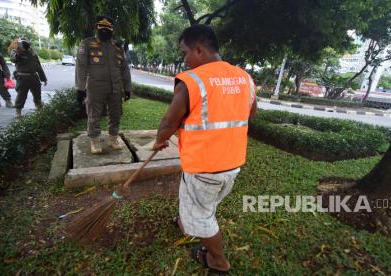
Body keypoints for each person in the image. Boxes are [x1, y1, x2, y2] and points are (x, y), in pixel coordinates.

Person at [153, 24, 257, 273]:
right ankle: (184, 220)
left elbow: (169, 121)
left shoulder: (192, 81)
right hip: (231, 166)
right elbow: (249, 114)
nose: (184, 59)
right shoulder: (245, 78)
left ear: (199, 50)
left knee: (203, 218)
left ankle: (218, 261)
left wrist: (160, 140)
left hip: (203, 168)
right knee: (203, 202)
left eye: (184, 53)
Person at [75, 16, 132, 154]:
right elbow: (81, 67)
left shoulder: (117, 48)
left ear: (112, 31)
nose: (105, 32)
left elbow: (125, 69)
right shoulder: (87, 44)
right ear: (96, 28)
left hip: (115, 87)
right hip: (95, 87)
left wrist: (128, 88)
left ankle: (113, 138)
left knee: (116, 114)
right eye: (102, 29)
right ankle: (94, 141)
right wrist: (80, 88)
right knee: (94, 114)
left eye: (108, 30)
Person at [10, 38, 47, 118]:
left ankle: (39, 107)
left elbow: (38, 67)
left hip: (34, 77)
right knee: (21, 95)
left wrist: (43, 78)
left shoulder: (33, 55)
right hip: (22, 78)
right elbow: (13, 59)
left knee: (37, 95)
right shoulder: (16, 53)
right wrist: (18, 53)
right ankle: (18, 112)